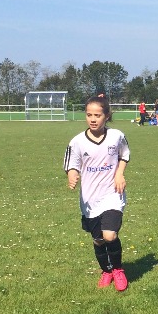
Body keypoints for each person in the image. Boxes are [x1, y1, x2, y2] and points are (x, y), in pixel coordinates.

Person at [64, 95, 130, 291]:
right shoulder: (77, 142)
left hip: (113, 194)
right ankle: (106, 271)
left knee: (109, 235)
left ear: (106, 116)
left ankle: (117, 269)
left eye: (97, 115)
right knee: (98, 239)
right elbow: (72, 165)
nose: (93, 119)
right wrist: (72, 175)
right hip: (90, 199)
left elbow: (124, 155)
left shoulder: (116, 136)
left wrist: (119, 173)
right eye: (89, 115)